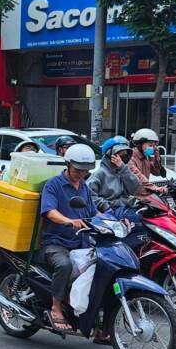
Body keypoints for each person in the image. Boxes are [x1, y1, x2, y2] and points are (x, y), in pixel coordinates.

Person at [39, 144, 100, 333]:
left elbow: (94, 213)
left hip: (81, 243)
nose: (81, 174)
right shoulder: (53, 185)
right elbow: (49, 211)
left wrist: (112, 222)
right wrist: (69, 221)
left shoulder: (84, 187)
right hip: (55, 243)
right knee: (64, 265)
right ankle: (56, 307)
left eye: (85, 171)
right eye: (78, 170)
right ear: (68, 165)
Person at [87, 136, 141, 211]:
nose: (122, 157)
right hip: (108, 213)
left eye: (125, 154)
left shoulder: (122, 171)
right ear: (109, 154)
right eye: (119, 153)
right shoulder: (99, 174)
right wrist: (107, 207)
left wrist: (123, 168)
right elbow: (90, 196)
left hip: (125, 209)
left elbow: (134, 187)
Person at [128, 128, 167, 195]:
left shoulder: (146, 158)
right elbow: (138, 177)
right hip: (132, 197)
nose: (152, 148)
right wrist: (155, 188)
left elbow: (157, 173)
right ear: (139, 144)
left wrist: (156, 158)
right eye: (150, 145)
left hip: (143, 195)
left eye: (154, 146)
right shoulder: (130, 158)